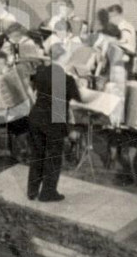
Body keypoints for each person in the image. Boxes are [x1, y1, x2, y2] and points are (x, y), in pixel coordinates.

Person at [26, 52, 102, 202]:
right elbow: (81, 99)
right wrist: (98, 96)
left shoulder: (41, 72)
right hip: (55, 118)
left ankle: (32, 191)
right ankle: (48, 193)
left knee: (37, 155)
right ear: (65, 59)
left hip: (36, 116)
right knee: (53, 157)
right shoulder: (67, 79)